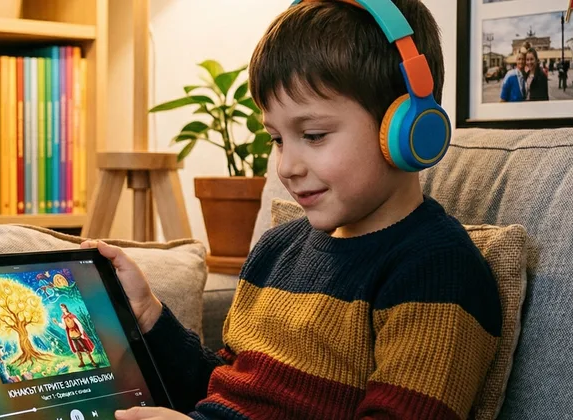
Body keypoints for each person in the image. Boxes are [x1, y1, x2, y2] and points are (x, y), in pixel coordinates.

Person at [94, 1, 500, 418]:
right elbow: (225, 392)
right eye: (277, 139)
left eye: (313, 134)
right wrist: (148, 315)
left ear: (410, 128)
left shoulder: (438, 272)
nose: (286, 167)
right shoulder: (277, 249)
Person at [57, 303, 98, 368]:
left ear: (66, 308)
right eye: (61, 308)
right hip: (71, 334)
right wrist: (57, 323)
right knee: (77, 349)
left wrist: (81, 333)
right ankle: (82, 362)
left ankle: (92, 361)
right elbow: (65, 327)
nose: (62, 309)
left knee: (84, 347)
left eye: (63, 307)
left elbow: (79, 324)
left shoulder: (72, 315)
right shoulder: (63, 317)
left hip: (77, 333)